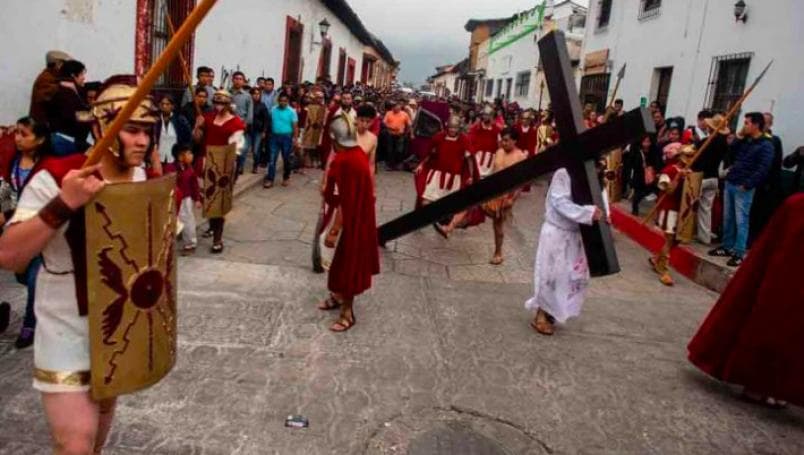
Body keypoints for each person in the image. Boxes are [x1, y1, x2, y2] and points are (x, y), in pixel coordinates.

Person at [0, 74, 158, 454]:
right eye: (132, 131)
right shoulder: (57, 176)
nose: (143, 141)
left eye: (147, 131)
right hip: (66, 319)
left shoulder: (140, 175)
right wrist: (65, 203)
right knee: (75, 444)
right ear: (103, 126)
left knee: (96, 438)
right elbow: (8, 255)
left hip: (117, 324)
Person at [688, 193, 804, 409]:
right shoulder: (795, 208)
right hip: (783, 275)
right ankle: (766, 384)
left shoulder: (795, 206)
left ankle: (775, 386)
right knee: (779, 316)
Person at [317, 113, 379, 333]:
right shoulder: (354, 154)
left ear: (335, 138)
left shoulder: (347, 161)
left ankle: (347, 313)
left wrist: (334, 228)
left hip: (350, 222)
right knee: (336, 263)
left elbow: (346, 200)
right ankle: (336, 296)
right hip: (350, 216)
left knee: (347, 265)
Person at [525, 167, 606, 336]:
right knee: (550, 274)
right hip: (557, 232)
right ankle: (540, 314)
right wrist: (587, 213)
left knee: (567, 276)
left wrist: (604, 213)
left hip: (576, 234)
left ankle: (552, 311)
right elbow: (559, 201)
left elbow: (599, 197)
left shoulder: (592, 171)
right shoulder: (563, 173)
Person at [1, 117, 50, 349]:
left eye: (24, 134)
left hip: (40, 228)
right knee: (20, 275)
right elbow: (8, 192)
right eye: (17, 133)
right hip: (14, 226)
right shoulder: (13, 162)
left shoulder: (48, 166)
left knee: (33, 278)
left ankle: (29, 324)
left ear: (40, 139)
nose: (18, 138)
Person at [708, 113, 774, 267]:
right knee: (728, 217)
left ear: (756, 125)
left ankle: (739, 252)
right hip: (732, 181)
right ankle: (727, 246)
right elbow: (732, 151)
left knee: (741, 220)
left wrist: (748, 184)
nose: (744, 125)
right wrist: (739, 136)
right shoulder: (746, 140)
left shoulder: (766, 144)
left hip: (744, 186)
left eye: (747, 123)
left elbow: (763, 168)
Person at [193, 89, 245, 253]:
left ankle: (218, 238)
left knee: (219, 203)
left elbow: (237, 148)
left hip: (224, 166)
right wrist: (198, 125)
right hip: (206, 162)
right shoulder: (207, 118)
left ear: (228, 103)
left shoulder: (236, 123)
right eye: (216, 102)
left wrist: (231, 167)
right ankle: (212, 226)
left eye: (222, 103)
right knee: (208, 199)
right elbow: (197, 139)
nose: (218, 106)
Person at [650, 144, 695, 286]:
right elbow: (668, 191)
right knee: (669, 239)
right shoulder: (669, 170)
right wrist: (678, 176)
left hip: (682, 211)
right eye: (687, 156)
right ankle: (663, 270)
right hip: (669, 209)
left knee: (677, 240)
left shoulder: (690, 172)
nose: (690, 159)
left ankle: (657, 259)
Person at [481, 128, 527, 265]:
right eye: (502, 140)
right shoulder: (499, 151)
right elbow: (493, 171)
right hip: (492, 191)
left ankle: (498, 252)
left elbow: (522, 182)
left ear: (514, 140)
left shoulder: (520, 156)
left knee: (498, 225)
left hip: (506, 196)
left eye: (507, 140)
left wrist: (512, 199)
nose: (503, 143)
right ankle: (451, 226)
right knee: (470, 206)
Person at [748, 112, 784, 245]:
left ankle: (754, 239)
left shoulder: (773, 140)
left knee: (759, 213)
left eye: (765, 122)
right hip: (750, 181)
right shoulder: (753, 138)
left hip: (765, 184)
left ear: (770, 124)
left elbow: (774, 163)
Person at [693, 114, 729, 244]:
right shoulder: (724, 144)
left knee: (690, 205)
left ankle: (684, 231)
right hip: (714, 178)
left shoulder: (706, 142)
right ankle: (704, 236)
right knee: (706, 208)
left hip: (701, 177)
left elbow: (696, 159)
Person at [47, 60, 92, 156]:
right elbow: (71, 116)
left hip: (64, 138)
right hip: (64, 139)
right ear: (73, 75)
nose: (83, 78)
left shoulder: (70, 89)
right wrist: (90, 117)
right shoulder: (65, 93)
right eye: (81, 74)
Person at [165, 143, 201, 255]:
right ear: (180, 156)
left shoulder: (189, 169)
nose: (192, 156)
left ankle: (190, 243)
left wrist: (197, 199)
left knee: (188, 220)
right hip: (174, 199)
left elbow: (194, 185)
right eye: (189, 153)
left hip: (186, 199)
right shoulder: (170, 168)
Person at [264, 93, 299, 188]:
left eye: (285, 101)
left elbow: (295, 126)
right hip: (274, 137)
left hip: (286, 137)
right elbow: (269, 122)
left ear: (288, 102)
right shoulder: (273, 109)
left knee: (286, 159)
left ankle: (286, 177)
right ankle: (270, 179)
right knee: (272, 159)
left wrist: (295, 139)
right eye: (281, 101)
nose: (283, 102)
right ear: (278, 101)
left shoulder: (292, 111)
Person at [30, 50, 71, 124]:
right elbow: (48, 98)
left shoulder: (54, 76)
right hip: (42, 126)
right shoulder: (46, 78)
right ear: (59, 64)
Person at [627, 134, 661, 216]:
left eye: (648, 142)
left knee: (647, 191)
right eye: (644, 142)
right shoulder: (636, 150)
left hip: (649, 175)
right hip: (638, 175)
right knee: (638, 193)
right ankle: (635, 209)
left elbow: (657, 161)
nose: (646, 144)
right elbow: (632, 163)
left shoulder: (653, 149)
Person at [154, 95, 192, 166]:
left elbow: (187, 138)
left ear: (172, 106)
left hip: (174, 159)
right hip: (158, 158)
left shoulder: (180, 120)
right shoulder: (156, 120)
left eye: (167, 104)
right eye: (162, 104)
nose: (164, 106)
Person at [467, 106, 500, 179]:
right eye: (484, 115)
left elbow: (499, 146)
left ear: (492, 116)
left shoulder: (496, 130)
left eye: (487, 115)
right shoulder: (476, 128)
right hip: (477, 159)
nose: (485, 117)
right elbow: (470, 142)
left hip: (490, 161)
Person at [383, 99, 412, 170]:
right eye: (394, 107)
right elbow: (384, 123)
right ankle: (389, 165)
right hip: (390, 134)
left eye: (397, 107)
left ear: (400, 107)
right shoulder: (388, 113)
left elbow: (409, 125)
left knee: (399, 150)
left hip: (400, 135)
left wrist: (407, 133)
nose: (395, 108)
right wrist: (391, 128)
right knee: (390, 150)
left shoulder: (404, 114)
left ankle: (397, 164)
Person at [301, 90, 326, 169]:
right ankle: (306, 161)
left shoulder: (323, 107)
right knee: (307, 145)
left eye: (321, 98)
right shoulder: (308, 107)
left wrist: (319, 123)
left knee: (316, 146)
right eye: (318, 98)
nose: (319, 99)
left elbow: (323, 117)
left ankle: (315, 160)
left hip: (318, 128)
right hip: (309, 127)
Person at [248, 87, 269, 173]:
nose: (256, 96)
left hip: (258, 131)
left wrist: (264, 131)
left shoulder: (262, 105)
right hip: (248, 130)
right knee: (244, 149)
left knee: (256, 150)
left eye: (258, 94)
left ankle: (255, 165)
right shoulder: (248, 104)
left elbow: (266, 119)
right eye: (254, 94)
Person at [356, 104, 378, 180]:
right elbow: (333, 157)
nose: (364, 124)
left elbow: (371, 163)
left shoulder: (373, 138)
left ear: (372, 122)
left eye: (368, 121)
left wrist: (370, 182)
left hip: (361, 176)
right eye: (361, 120)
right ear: (356, 119)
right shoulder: (347, 133)